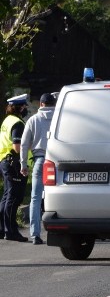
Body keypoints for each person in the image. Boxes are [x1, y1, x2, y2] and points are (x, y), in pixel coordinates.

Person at [20, 92, 56, 245]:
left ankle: (35, 234)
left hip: (40, 161)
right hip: (57, 161)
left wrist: (23, 164)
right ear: (53, 104)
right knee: (57, 196)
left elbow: (23, 144)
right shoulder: (58, 119)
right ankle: (59, 230)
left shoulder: (33, 120)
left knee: (35, 198)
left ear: (41, 104)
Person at [1, 95, 29, 242]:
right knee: (13, 197)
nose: (26, 109)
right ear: (19, 107)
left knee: (7, 196)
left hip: (5, 161)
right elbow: (17, 147)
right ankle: (11, 231)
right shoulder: (18, 123)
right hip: (13, 162)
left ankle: (3, 229)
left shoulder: (7, 120)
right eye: (24, 106)